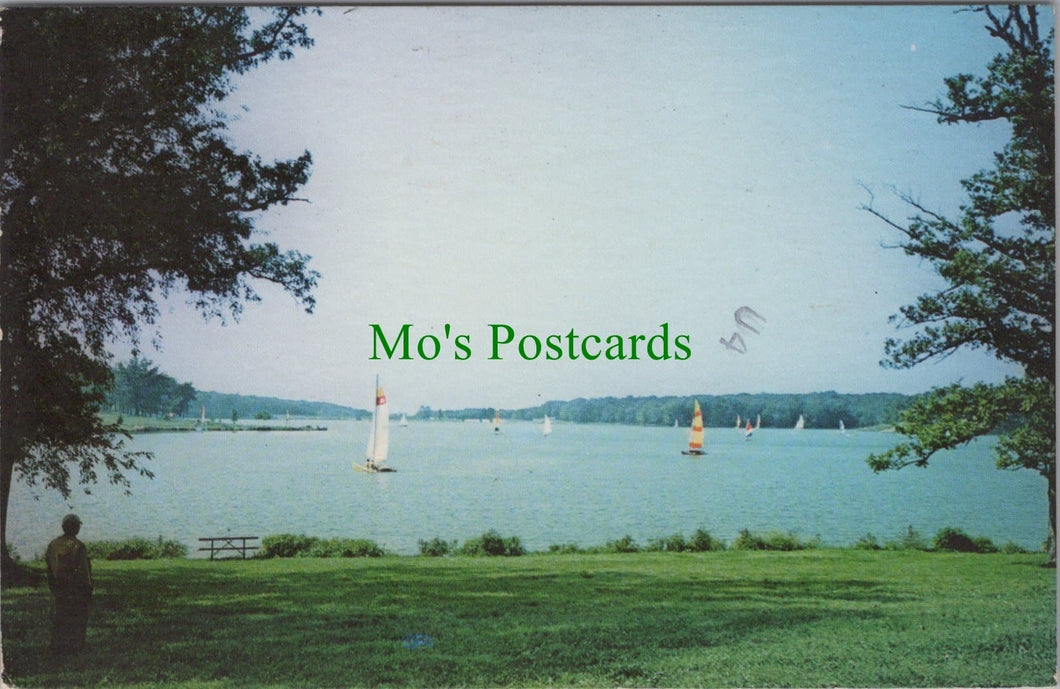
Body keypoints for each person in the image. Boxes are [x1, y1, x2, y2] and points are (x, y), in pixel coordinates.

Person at [45, 514, 93, 655]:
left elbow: (49, 566)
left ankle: (58, 646)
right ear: (76, 528)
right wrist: (88, 589)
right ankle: (75, 647)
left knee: (61, 616)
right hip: (76, 588)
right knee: (78, 617)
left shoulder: (53, 544)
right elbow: (83, 571)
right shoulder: (78, 546)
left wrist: (53, 585)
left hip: (58, 586)